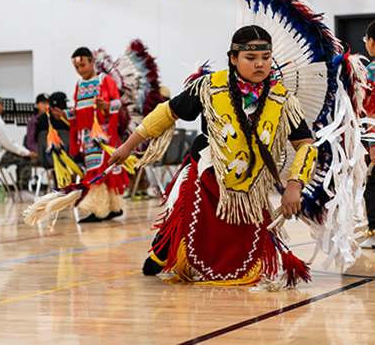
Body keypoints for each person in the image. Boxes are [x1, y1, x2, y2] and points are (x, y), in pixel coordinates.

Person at [109, 25, 317, 285]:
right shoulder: (209, 87)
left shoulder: (282, 100)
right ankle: (162, 251)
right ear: (233, 58)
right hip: (206, 177)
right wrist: (127, 146)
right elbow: (167, 113)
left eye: (265, 57)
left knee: (244, 260)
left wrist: (294, 186)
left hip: (250, 190)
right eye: (251, 58)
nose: (260, 64)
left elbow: (306, 145)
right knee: (184, 221)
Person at [52, 47, 128, 223]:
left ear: (93, 62)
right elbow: (79, 111)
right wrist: (64, 114)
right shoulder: (79, 85)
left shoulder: (104, 80)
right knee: (99, 168)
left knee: (100, 170)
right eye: (76, 68)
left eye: (83, 65)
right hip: (88, 135)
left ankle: (98, 209)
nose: (80, 70)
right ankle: (112, 207)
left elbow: (118, 102)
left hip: (104, 133)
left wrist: (106, 106)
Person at [0, 94, 39, 200]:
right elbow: (9, 144)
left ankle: (19, 191)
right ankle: (22, 191)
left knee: (20, 157)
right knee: (24, 159)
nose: (3, 108)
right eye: (1, 105)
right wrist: (27, 153)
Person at [361, 20, 375, 249]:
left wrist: (372, 142)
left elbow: (370, 110)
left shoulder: (371, 71)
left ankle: (374, 231)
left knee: (372, 185)